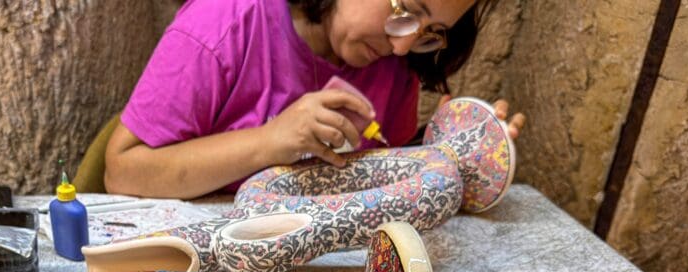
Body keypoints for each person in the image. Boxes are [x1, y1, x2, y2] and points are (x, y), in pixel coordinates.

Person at [104, 0, 527, 200]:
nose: (403, 48)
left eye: (430, 33)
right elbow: (123, 172)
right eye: (406, 11)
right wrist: (269, 142)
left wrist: (461, 157)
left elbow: (384, 176)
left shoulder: (393, 67)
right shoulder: (224, 24)